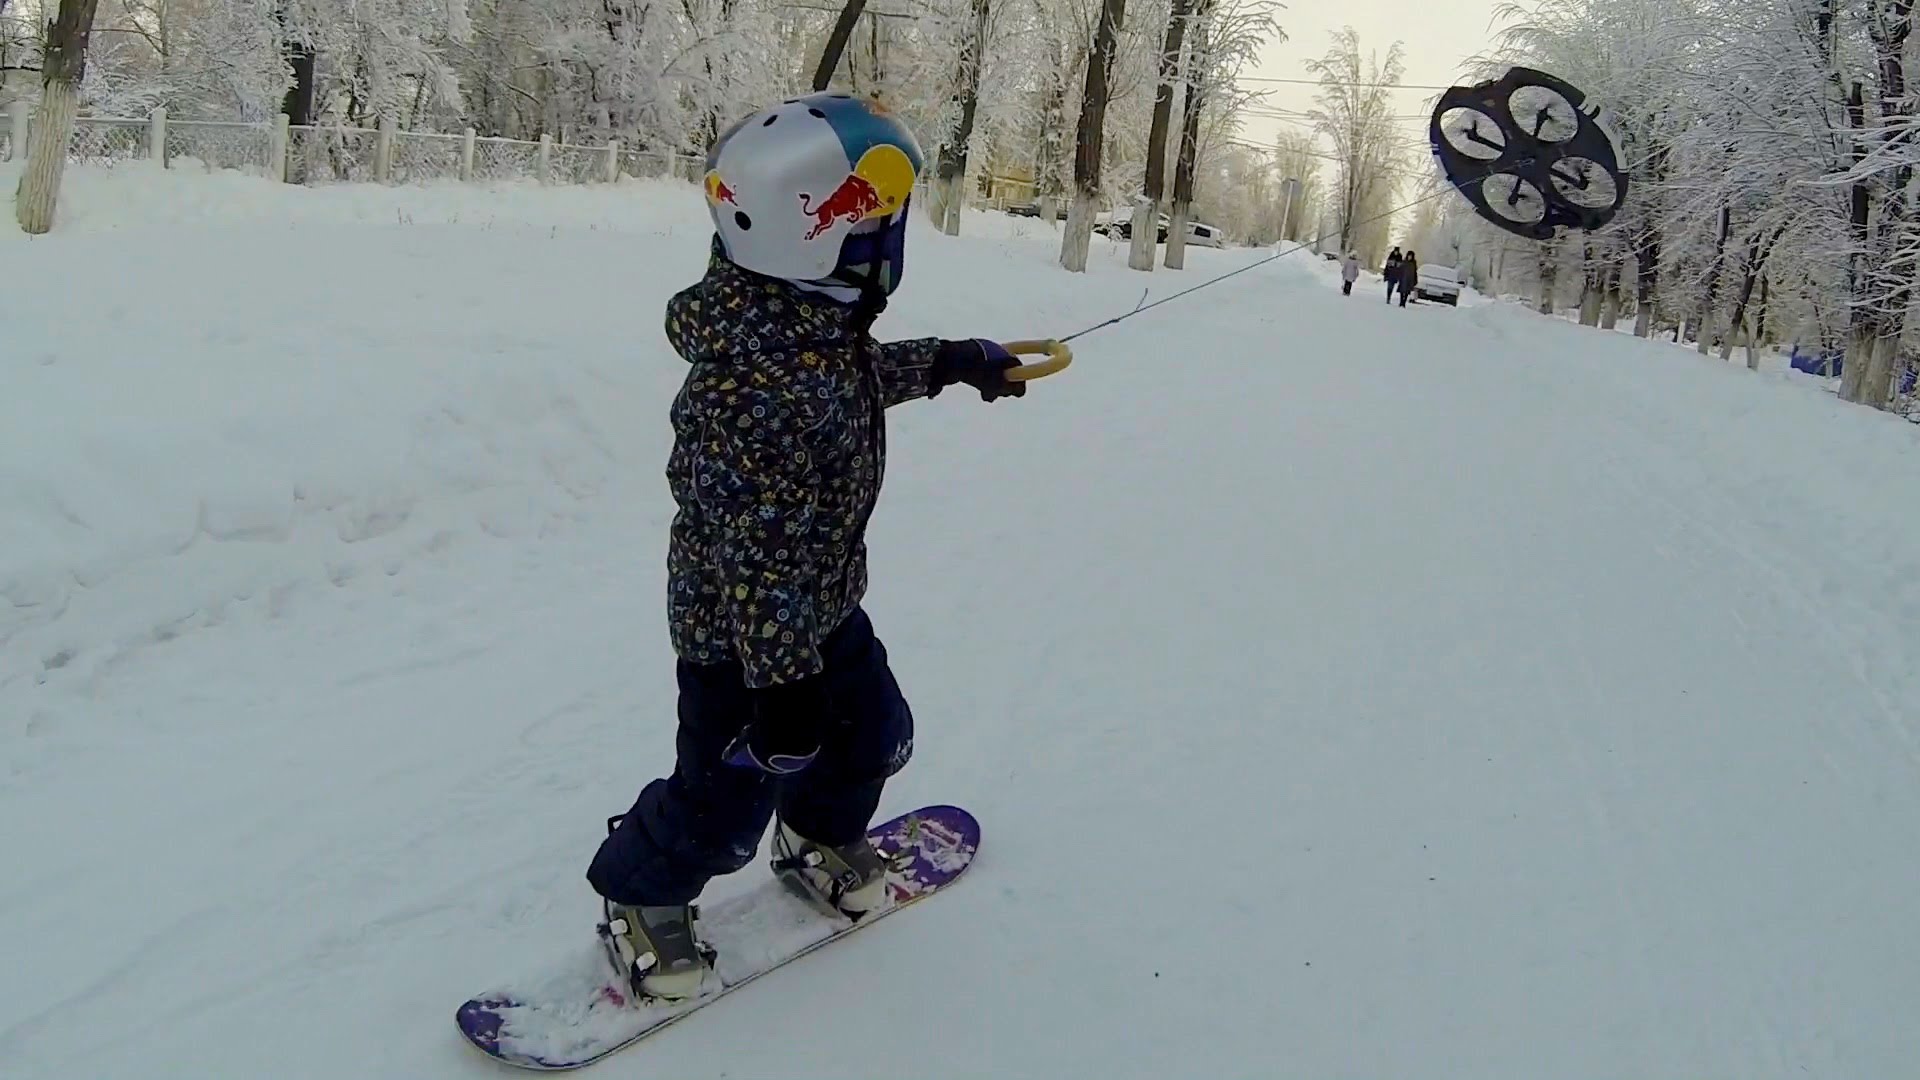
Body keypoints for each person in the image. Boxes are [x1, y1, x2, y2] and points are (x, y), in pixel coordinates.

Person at [584, 92, 1029, 1001]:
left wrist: (949, 363)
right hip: (740, 651)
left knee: (874, 736)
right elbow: (749, 560)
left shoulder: (807, 324)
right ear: (812, 232)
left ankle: (819, 832)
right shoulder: (747, 387)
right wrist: (780, 688)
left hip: (824, 609)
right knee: (720, 807)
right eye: (873, 214)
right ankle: (641, 895)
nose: (887, 234)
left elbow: (852, 380)